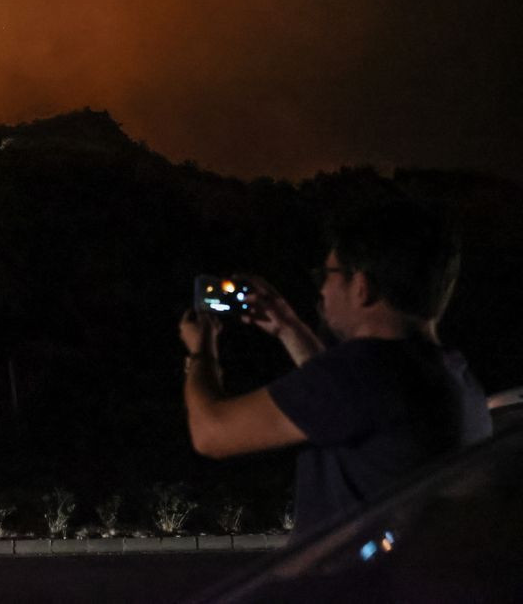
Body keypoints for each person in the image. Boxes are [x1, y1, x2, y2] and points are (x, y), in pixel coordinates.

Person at [179, 200, 493, 542]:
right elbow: (342, 401)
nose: (322, 290)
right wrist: (286, 326)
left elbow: (211, 433)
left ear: (362, 286)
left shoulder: (366, 370)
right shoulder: (452, 376)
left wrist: (201, 349)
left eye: (326, 275)